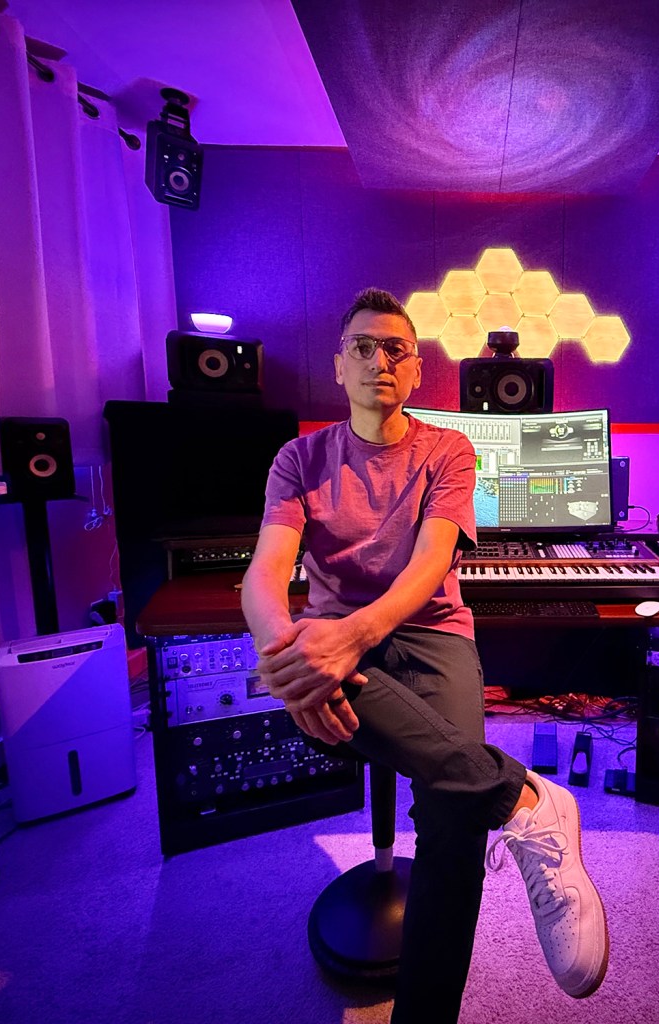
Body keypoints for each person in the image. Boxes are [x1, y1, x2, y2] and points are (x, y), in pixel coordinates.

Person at [240, 287, 609, 1023]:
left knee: (451, 813)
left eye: (396, 350)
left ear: (415, 372)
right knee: (435, 767)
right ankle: (527, 800)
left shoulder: (448, 448)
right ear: (339, 366)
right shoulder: (298, 458)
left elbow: (429, 564)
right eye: (362, 347)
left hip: (431, 630)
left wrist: (348, 637)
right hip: (331, 644)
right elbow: (265, 571)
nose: (379, 360)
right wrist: (283, 655)